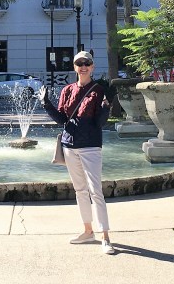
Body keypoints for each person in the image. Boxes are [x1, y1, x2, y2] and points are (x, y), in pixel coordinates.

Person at [39, 50, 117, 255]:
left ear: (92, 66)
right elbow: (62, 119)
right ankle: (88, 231)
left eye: (87, 63)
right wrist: (46, 103)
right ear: (74, 67)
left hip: (91, 146)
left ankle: (105, 237)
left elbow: (99, 123)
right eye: (79, 63)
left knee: (96, 191)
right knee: (80, 190)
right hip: (69, 146)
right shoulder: (67, 90)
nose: (83, 66)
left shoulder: (99, 90)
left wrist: (107, 106)